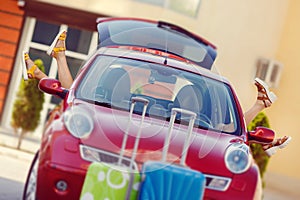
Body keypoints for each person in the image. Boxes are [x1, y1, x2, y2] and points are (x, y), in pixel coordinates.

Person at [22, 30, 291, 156]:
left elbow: (227, 134)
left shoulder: (200, 121)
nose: (154, 80)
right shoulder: (106, 99)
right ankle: (53, 62)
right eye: (148, 76)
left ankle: (54, 61)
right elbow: (73, 95)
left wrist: (255, 141)